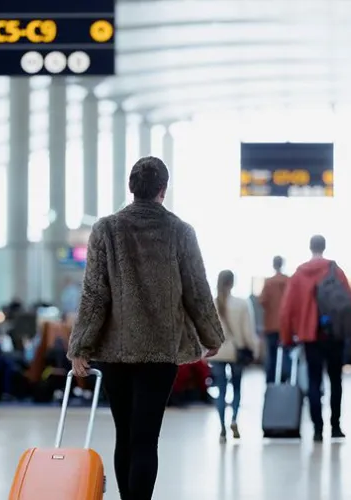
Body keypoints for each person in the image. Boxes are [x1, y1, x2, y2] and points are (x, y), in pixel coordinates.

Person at [68, 156, 224, 500]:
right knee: (145, 439)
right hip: (159, 352)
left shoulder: (106, 230)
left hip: (115, 353)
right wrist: (211, 336)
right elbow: (196, 288)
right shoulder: (180, 232)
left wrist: (80, 345)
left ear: (131, 187)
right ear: (162, 190)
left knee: (124, 435)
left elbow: (95, 292)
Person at [279, 234, 351, 442]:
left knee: (314, 381)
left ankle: (318, 429)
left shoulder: (299, 275)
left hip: (310, 337)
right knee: (336, 380)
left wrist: (287, 337)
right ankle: (335, 427)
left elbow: (286, 309)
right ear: (324, 247)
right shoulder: (336, 271)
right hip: (335, 335)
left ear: (310, 247)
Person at [209, 270, 260, 442]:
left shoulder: (212, 304)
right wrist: (254, 349)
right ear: (232, 283)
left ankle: (222, 428)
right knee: (237, 388)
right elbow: (248, 332)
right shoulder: (242, 304)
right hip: (237, 352)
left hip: (217, 352)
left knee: (221, 391)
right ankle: (234, 419)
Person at [259, 256, 290, 383]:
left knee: (271, 356)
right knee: (287, 355)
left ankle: (270, 381)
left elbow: (262, 301)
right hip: (286, 325)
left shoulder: (269, 283)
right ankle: (286, 380)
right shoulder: (288, 281)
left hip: (271, 325)